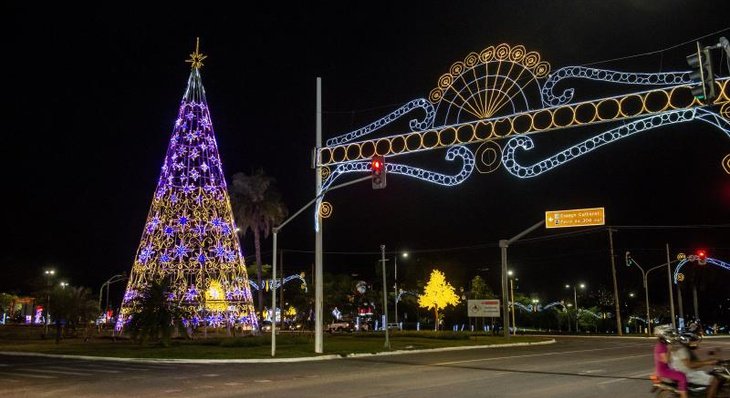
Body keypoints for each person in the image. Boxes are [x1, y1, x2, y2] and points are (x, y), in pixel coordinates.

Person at [671, 331, 720, 398]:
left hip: (688, 372)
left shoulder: (686, 350)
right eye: (694, 342)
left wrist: (710, 359)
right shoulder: (682, 351)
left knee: (712, 373)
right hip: (687, 375)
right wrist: (707, 362)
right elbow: (690, 365)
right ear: (687, 341)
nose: (696, 343)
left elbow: (697, 362)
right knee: (714, 381)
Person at [654, 324, 688, 398]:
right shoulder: (661, 346)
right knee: (682, 377)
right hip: (663, 371)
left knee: (683, 373)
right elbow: (666, 360)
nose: (670, 335)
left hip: (666, 369)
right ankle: (683, 395)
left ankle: (679, 392)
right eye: (668, 334)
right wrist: (669, 349)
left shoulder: (662, 345)